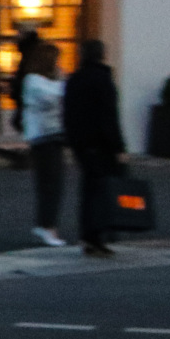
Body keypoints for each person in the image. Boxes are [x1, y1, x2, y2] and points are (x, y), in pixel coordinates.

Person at [63, 37, 126, 258]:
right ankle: (98, 237)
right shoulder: (103, 79)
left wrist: (73, 141)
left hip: (82, 145)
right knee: (102, 191)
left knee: (88, 190)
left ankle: (88, 237)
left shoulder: (74, 80)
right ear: (102, 55)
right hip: (101, 145)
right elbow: (109, 117)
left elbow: (68, 114)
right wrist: (119, 147)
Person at [19, 41, 68, 247]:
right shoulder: (33, 81)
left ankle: (45, 224)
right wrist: (62, 82)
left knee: (51, 184)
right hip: (42, 138)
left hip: (54, 136)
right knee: (51, 185)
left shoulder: (46, 80)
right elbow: (51, 98)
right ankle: (48, 227)